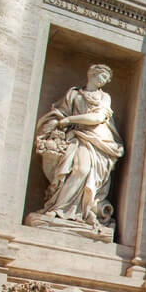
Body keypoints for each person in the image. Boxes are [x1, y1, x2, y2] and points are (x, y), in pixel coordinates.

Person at [33, 64, 125, 233]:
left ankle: (69, 210)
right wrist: (57, 122)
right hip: (75, 136)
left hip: (98, 139)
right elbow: (60, 112)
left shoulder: (104, 97)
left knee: (82, 170)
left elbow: (98, 117)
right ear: (92, 74)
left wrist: (70, 120)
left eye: (106, 78)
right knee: (69, 170)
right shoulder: (74, 93)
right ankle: (58, 208)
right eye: (101, 76)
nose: (103, 80)